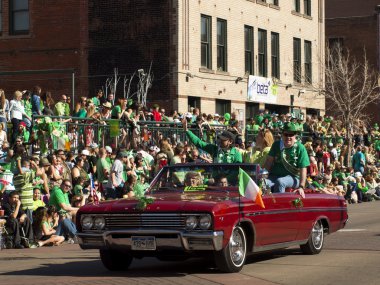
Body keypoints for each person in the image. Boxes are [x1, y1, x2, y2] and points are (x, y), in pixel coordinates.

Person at [263, 122, 310, 198]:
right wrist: (262, 177)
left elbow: (303, 169)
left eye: (291, 135)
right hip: (274, 176)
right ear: (282, 135)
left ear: (295, 136)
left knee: (280, 182)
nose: (288, 137)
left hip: (293, 178)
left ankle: (279, 206)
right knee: (263, 183)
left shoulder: (300, 148)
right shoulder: (276, 145)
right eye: (286, 134)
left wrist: (301, 187)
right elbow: (268, 162)